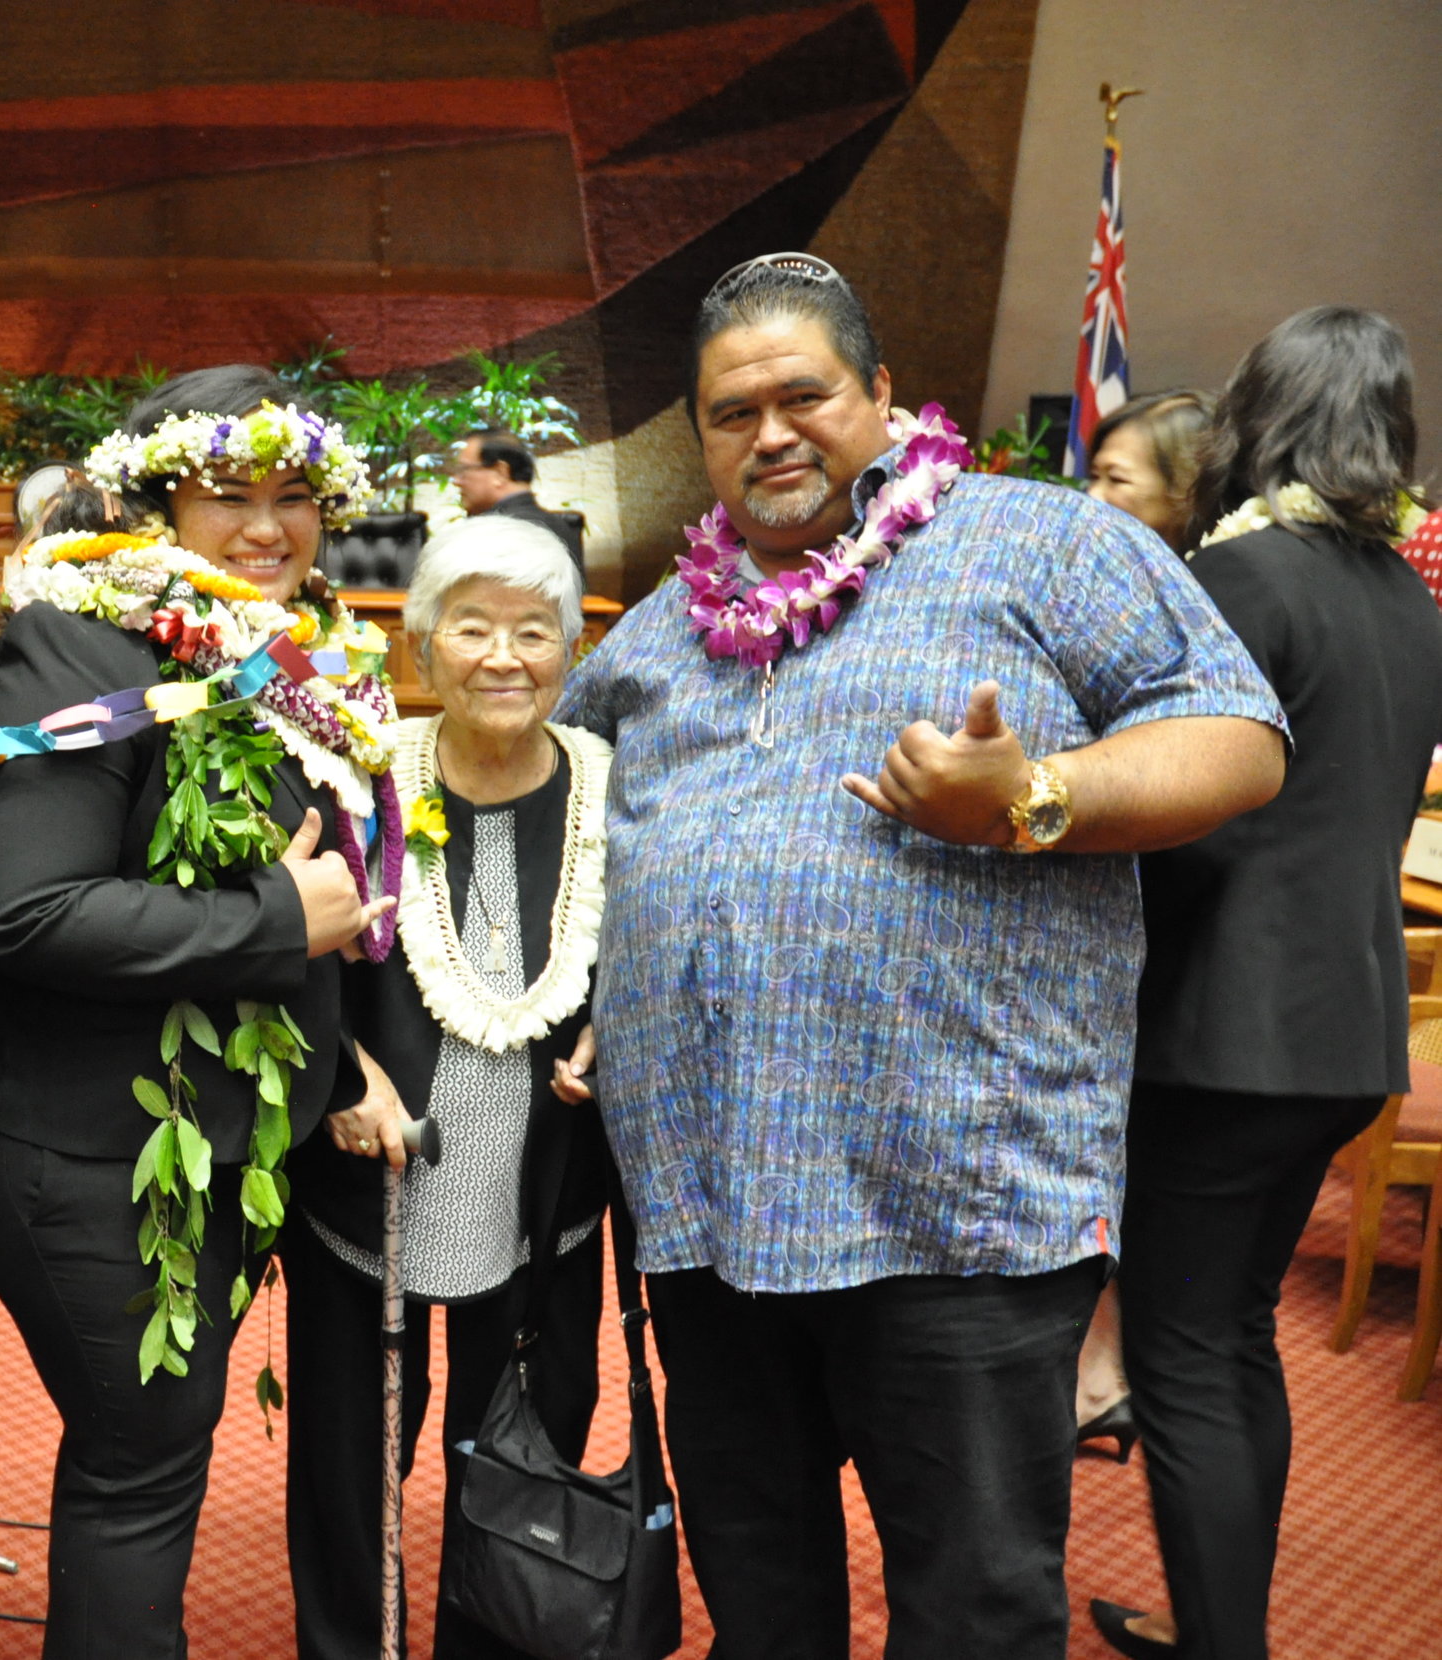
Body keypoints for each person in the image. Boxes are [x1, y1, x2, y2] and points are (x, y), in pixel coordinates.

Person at [554, 252, 1288, 1659]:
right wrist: (579, 985)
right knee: (763, 1606)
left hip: (955, 1212)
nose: (768, 433)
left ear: (882, 394)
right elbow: (570, 826)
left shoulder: (1045, 545)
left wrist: (1030, 800)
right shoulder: (653, 635)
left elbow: (1240, 738)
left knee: (974, 1608)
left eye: (803, 394)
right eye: (728, 413)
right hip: (712, 1214)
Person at [0, 365, 398, 1658]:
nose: (270, 525)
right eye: (230, 495)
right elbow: (24, 910)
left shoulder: (291, 652)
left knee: (155, 1453)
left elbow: (315, 874)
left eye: (296, 496)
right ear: (154, 505)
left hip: (203, 1146)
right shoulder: (77, 640)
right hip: (85, 1152)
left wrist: (343, 1049)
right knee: (140, 1465)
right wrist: (277, 926)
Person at [1088, 308, 1442, 1660]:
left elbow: (1187, 823)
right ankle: (1217, 1628)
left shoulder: (1248, 581)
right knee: (1230, 1340)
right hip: (1344, 1030)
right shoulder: (1405, 595)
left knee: (1183, 1353)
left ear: (1260, 416)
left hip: (1224, 1032)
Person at [282, 513, 616, 1659]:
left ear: (570, 648)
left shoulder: (611, 792)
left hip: (544, 1191)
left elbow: (666, 942)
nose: (502, 655)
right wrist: (333, 1069)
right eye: (469, 626)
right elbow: (289, 944)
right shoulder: (361, 778)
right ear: (420, 646)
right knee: (347, 1462)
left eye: (534, 629)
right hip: (368, 1176)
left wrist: (615, 1028)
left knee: (522, 1446)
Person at [1073, 385, 1216, 1455]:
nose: (1091, 499)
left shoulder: (1205, 613)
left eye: (1116, 481)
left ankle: (1100, 1368)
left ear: (1186, 497)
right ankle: (1097, 1364)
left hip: (1180, 957)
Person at [1087, 389, 1215, 553]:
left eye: (1116, 479)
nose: (1093, 494)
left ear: (1188, 485)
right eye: (1094, 476)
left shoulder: (1224, 572)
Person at [449, 428, 583, 574]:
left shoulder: (490, 535)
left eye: (464, 470)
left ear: (500, 472)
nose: (456, 481)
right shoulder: (561, 528)